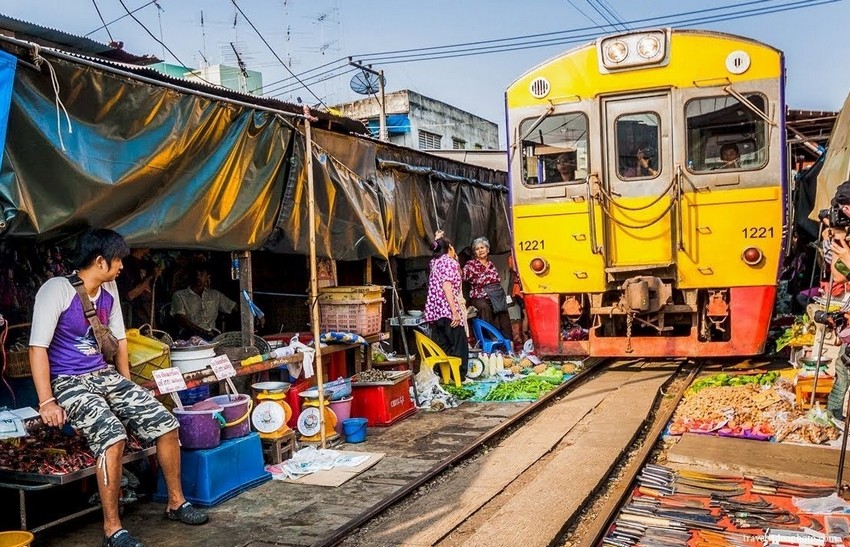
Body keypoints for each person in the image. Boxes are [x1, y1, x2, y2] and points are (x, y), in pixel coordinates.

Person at [29, 229, 208, 547]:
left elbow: (119, 340)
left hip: (104, 374)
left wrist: (127, 385)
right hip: (69, 382)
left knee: (166, 422)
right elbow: (37, 348)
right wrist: (47, 401)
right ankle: (113, 530)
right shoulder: (55, 290)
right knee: (112, 436)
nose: (122, 266)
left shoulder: (108, 288)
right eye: (117, 260)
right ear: (100, 261)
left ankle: (176, 503)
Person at [423, 232, 468, 380]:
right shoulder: (449, 263)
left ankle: (447, 376)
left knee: (445, 345)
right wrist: (454, 312)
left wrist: (437, 239)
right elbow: (447, 287)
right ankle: (459, 377)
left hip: (436, 312)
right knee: (458, 345)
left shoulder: (434, 263)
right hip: (448, 311)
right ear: (449, 248)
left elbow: (437, 248)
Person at [170, 263, 237, 340]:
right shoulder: (179, 295)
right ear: (190, 276)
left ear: (207, 277)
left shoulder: (215, 295)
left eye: (201, 274)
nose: (198, 277)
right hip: (190, 336)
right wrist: (203, 332)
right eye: (195, 274)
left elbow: (233, 307)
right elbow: (181, 319)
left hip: (213, 334)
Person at [463, 237, 512, 340]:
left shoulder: (491, 265)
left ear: (487, 249)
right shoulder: (470, 265)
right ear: (474, 252)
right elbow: (461, 277)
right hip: (479, 296)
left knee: (503, 311)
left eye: (482, 247)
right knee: (485, 308)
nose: (480, 250)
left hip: (495, 295)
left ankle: (507, 340)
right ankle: (490, 338)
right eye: (477, 249)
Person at [117, 248, 160, 328]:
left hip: (148, 311)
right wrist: (150, 277)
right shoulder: (126, 265)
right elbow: (130, 295)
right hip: (134, 314)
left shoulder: (148, 263)